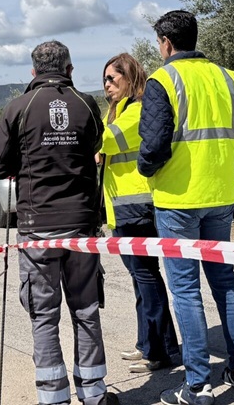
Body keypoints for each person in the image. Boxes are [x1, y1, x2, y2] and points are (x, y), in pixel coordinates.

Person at [137, 10, 234, 405]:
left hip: (177, 202)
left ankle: (198, 386)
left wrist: (145, 168)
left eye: (159, 44)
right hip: (221, 196)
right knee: (225, 282)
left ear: (167, 43)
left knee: (186, 292)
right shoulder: (228, 77)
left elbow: (154, 146)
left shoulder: (163, 80)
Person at [0, 40, 119, 405]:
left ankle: (53, 398)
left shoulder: (18, 107)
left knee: (44, 317)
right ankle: (95, 394)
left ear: (33, 72)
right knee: (87, 312)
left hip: (37, 227)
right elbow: (93, 146)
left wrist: (29, 161)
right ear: (70, 70)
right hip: (81, 226)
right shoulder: (86, 104)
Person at [97, 53, 181, 375]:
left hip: (137, 208)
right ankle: (149, 343)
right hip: (122, 210)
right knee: (140, 280)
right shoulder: (117, 111)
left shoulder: (137, 110)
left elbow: (107, 141)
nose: (106, 85)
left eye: (112, 79)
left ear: (129, 78)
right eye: (104, 79)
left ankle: (158, 352)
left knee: (146, 278)